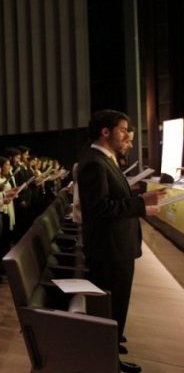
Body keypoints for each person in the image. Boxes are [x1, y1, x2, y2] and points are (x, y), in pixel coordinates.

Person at [78, 110, 166, 373]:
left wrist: (139, 200)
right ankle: (108, 361)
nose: (127, 135)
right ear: (105, 132)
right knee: (111, 307)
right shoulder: (94, 162)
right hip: (109, 249)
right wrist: (140, 204)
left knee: (117, 306)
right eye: (123, 129)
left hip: (117, 246)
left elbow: (114, 198)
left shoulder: (104, 159)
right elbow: (99, 208)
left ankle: (112, 348)